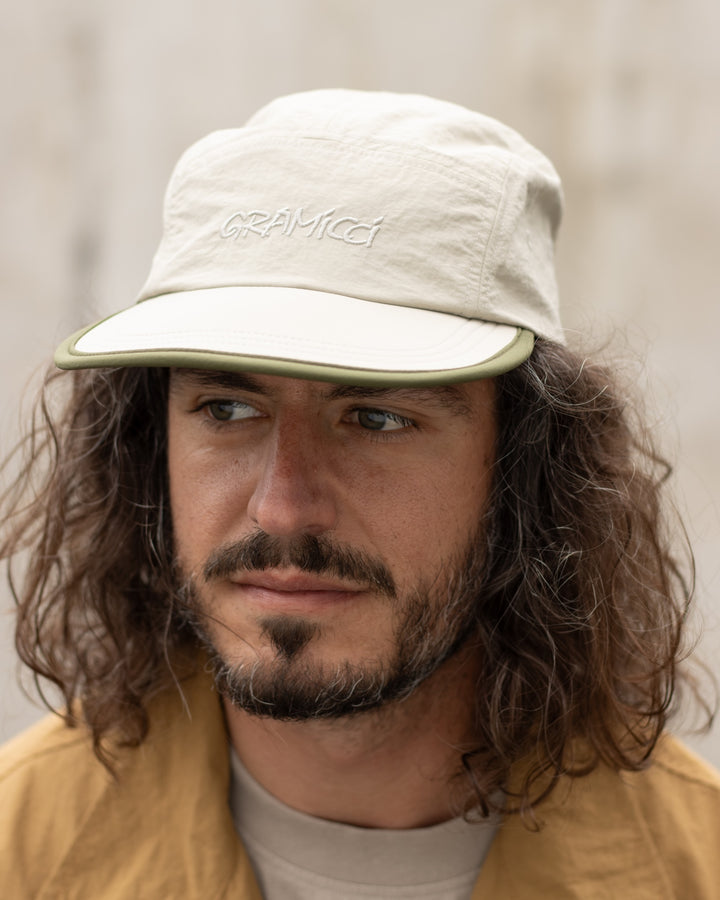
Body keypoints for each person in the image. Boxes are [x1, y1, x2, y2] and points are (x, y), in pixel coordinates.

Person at [1, 89, 718, 899]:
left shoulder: (694, 868)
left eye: (377, 418)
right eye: (228, 409)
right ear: (149, 446)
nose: (282, 507)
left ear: (525, 470)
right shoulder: (22, 853)